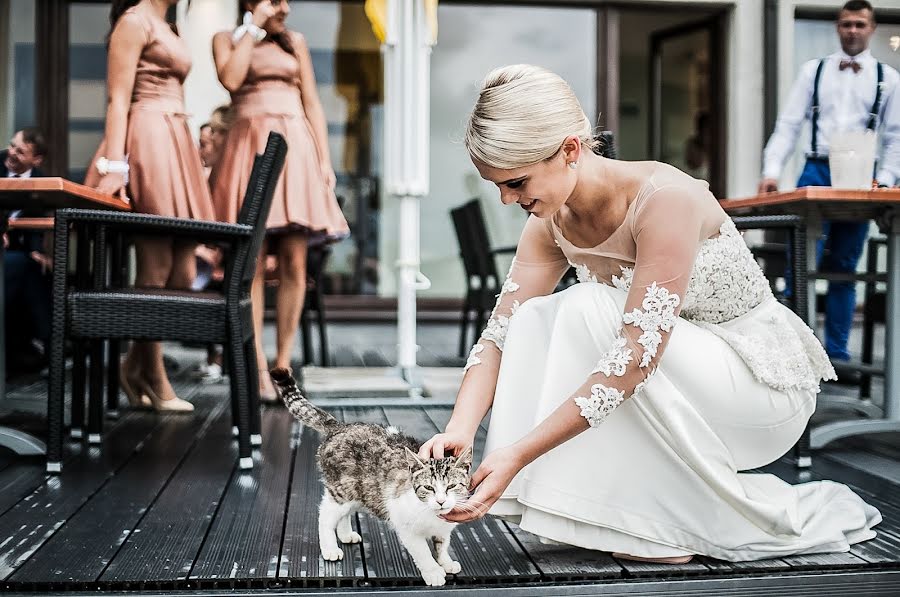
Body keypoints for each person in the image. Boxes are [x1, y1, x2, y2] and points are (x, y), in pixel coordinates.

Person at [419, 64, 880, 564]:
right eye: (499, 187)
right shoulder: (550, 219)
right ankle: (618, 515)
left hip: (758, 392)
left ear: (570, 150)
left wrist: (519, 453)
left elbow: (636, 358)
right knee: (533, 318)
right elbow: (501, 332)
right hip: (673, 384)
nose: (508, 199)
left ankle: (661, 527)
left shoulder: (665, 198)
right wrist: (461, 432)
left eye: (517, 182)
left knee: (588, 307)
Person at [211, 0, 349, 402]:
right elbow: (232, 81)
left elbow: (313, 104)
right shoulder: (226, 39)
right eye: (277, 0)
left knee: (294, 258)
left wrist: (324, 160)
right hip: (248, 146)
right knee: (251, 261)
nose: (286, 7)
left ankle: (283, 364)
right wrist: (252, 27)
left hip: (296, 148)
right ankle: (254, 367)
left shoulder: (296, 43)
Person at [86, 0, 215, 413]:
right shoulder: (134, 20)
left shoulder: (168, 25)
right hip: (148, 138)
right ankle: (155, 377)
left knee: (184, 270)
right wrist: (116, 164)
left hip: (175, 138)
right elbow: (118, 99)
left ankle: (133, 367)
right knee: (156, 266)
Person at [759, 0, 900, 373]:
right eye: (846, 24)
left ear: (871, 29)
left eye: (860, 24)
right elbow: (788, 124)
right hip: (816, 171)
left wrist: (885, 181)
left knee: (845, 264)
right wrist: (771, 169)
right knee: (800, 259)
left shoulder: (889, 79)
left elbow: (895, 139)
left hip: (860, 178)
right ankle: (793, 352)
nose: (852, 30)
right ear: (838, 27)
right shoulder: (813, 72)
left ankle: (836, 355)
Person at [2, 128, 51, 375]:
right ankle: (49, 342)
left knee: (39, 267)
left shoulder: (42, 179)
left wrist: (36, 250)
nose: (11, 153)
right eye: (12, 145)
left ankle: (31, 346)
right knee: (27, 269)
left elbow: (35, 219)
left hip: (16, 249)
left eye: (20, 151)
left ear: (36, 159)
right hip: (8, 251)